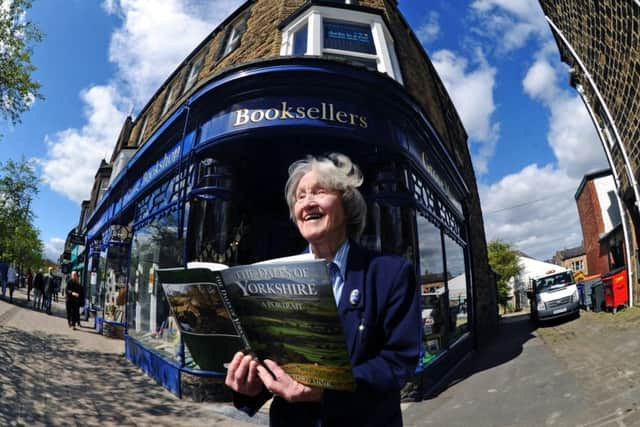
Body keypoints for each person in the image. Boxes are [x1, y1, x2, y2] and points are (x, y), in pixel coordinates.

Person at [225, 153, 421, 426]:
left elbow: (398, 362)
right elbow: (271, 359)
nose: (307, 203)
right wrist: (250, 388)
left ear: (347, 204)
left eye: (318, 192)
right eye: (300, 197)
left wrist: (328, 391)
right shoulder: (275, 278)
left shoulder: (389, 273)